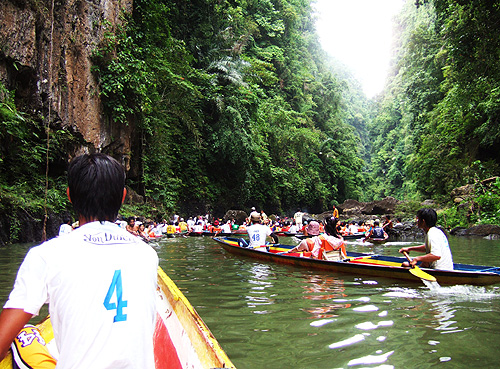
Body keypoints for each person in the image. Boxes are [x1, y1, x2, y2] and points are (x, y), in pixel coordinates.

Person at [0, 153, 159, 368]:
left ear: (69, 196)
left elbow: (3, 339)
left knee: (24, 337)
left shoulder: (46, 255)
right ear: (123, 197)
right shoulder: (146, 254)